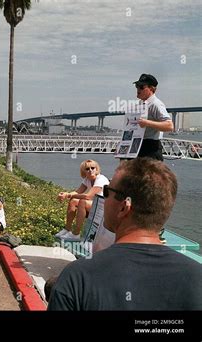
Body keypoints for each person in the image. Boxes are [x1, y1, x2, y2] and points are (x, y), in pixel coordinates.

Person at [48, 158, 202, 310]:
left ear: (124, 208)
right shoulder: (196, 277)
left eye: (107, 191)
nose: (103, 197)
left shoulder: (77, 278)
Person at [55, 160, 109, 240]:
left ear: (96, 169)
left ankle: (76, 234)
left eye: (92, 168)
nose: (90, 170)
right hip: (95, 205)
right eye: (87, 169)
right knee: (73, 201)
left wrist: (69, 195)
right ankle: (67, 229)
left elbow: (88, 197)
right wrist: (66, 194)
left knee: (83, 202)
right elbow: (77, 192)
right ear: (84, 171)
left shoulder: (101, 179)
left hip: (104, 207)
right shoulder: (87, 179)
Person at [133, 74, 174, 161]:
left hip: (151, 147)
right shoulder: (141, 104)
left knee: (150, 174)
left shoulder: (156, 104)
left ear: (151, 88)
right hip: (139, 145)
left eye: (141, 87)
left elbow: (169, 126)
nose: (138, 89)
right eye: (137, 86)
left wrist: (147, 123)